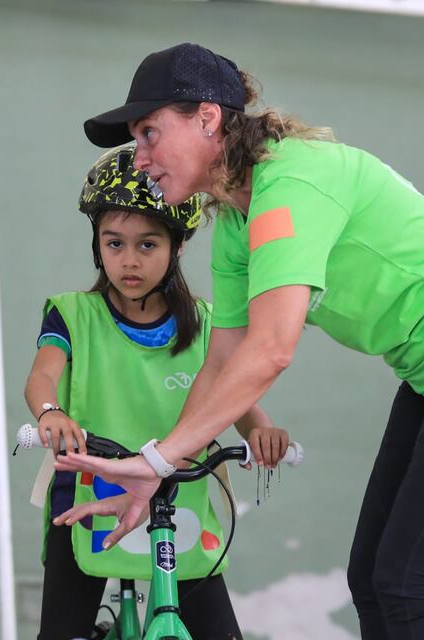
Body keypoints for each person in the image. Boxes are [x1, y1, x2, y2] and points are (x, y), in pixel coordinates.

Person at [56, 42, 424, 639]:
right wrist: (159, 469)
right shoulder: (236, 219)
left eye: (149, 133)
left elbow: (271, 349)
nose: (140, 157)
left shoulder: (293, 181)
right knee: (372, 580)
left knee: (407, 584)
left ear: (208, 118)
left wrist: (157, 458)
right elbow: (223, 360)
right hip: (423, 375)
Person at [26, 143, 289, 639]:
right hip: (89, 491)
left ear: (178, 246)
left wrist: (261, 428)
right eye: (114, 243)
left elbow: (234, 392)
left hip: (177, 493)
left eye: (147, 245)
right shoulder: (72, 314)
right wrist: (50, 412)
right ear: (97, 245)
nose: (129, 261)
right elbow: (42, 376)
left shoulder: (207, 322)